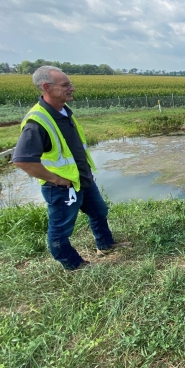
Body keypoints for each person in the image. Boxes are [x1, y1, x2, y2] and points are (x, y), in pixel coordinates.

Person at [13, 66, 129, 271]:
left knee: (99, 211)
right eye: (66, 85)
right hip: (62, 187)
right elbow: (23, 160)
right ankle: (74, 265)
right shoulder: (37, 121)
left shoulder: (64, 112)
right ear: (47, 87)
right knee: (60, 230)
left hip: (82, 179)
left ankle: (106, 245)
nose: (72, 88)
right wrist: (56, 179)